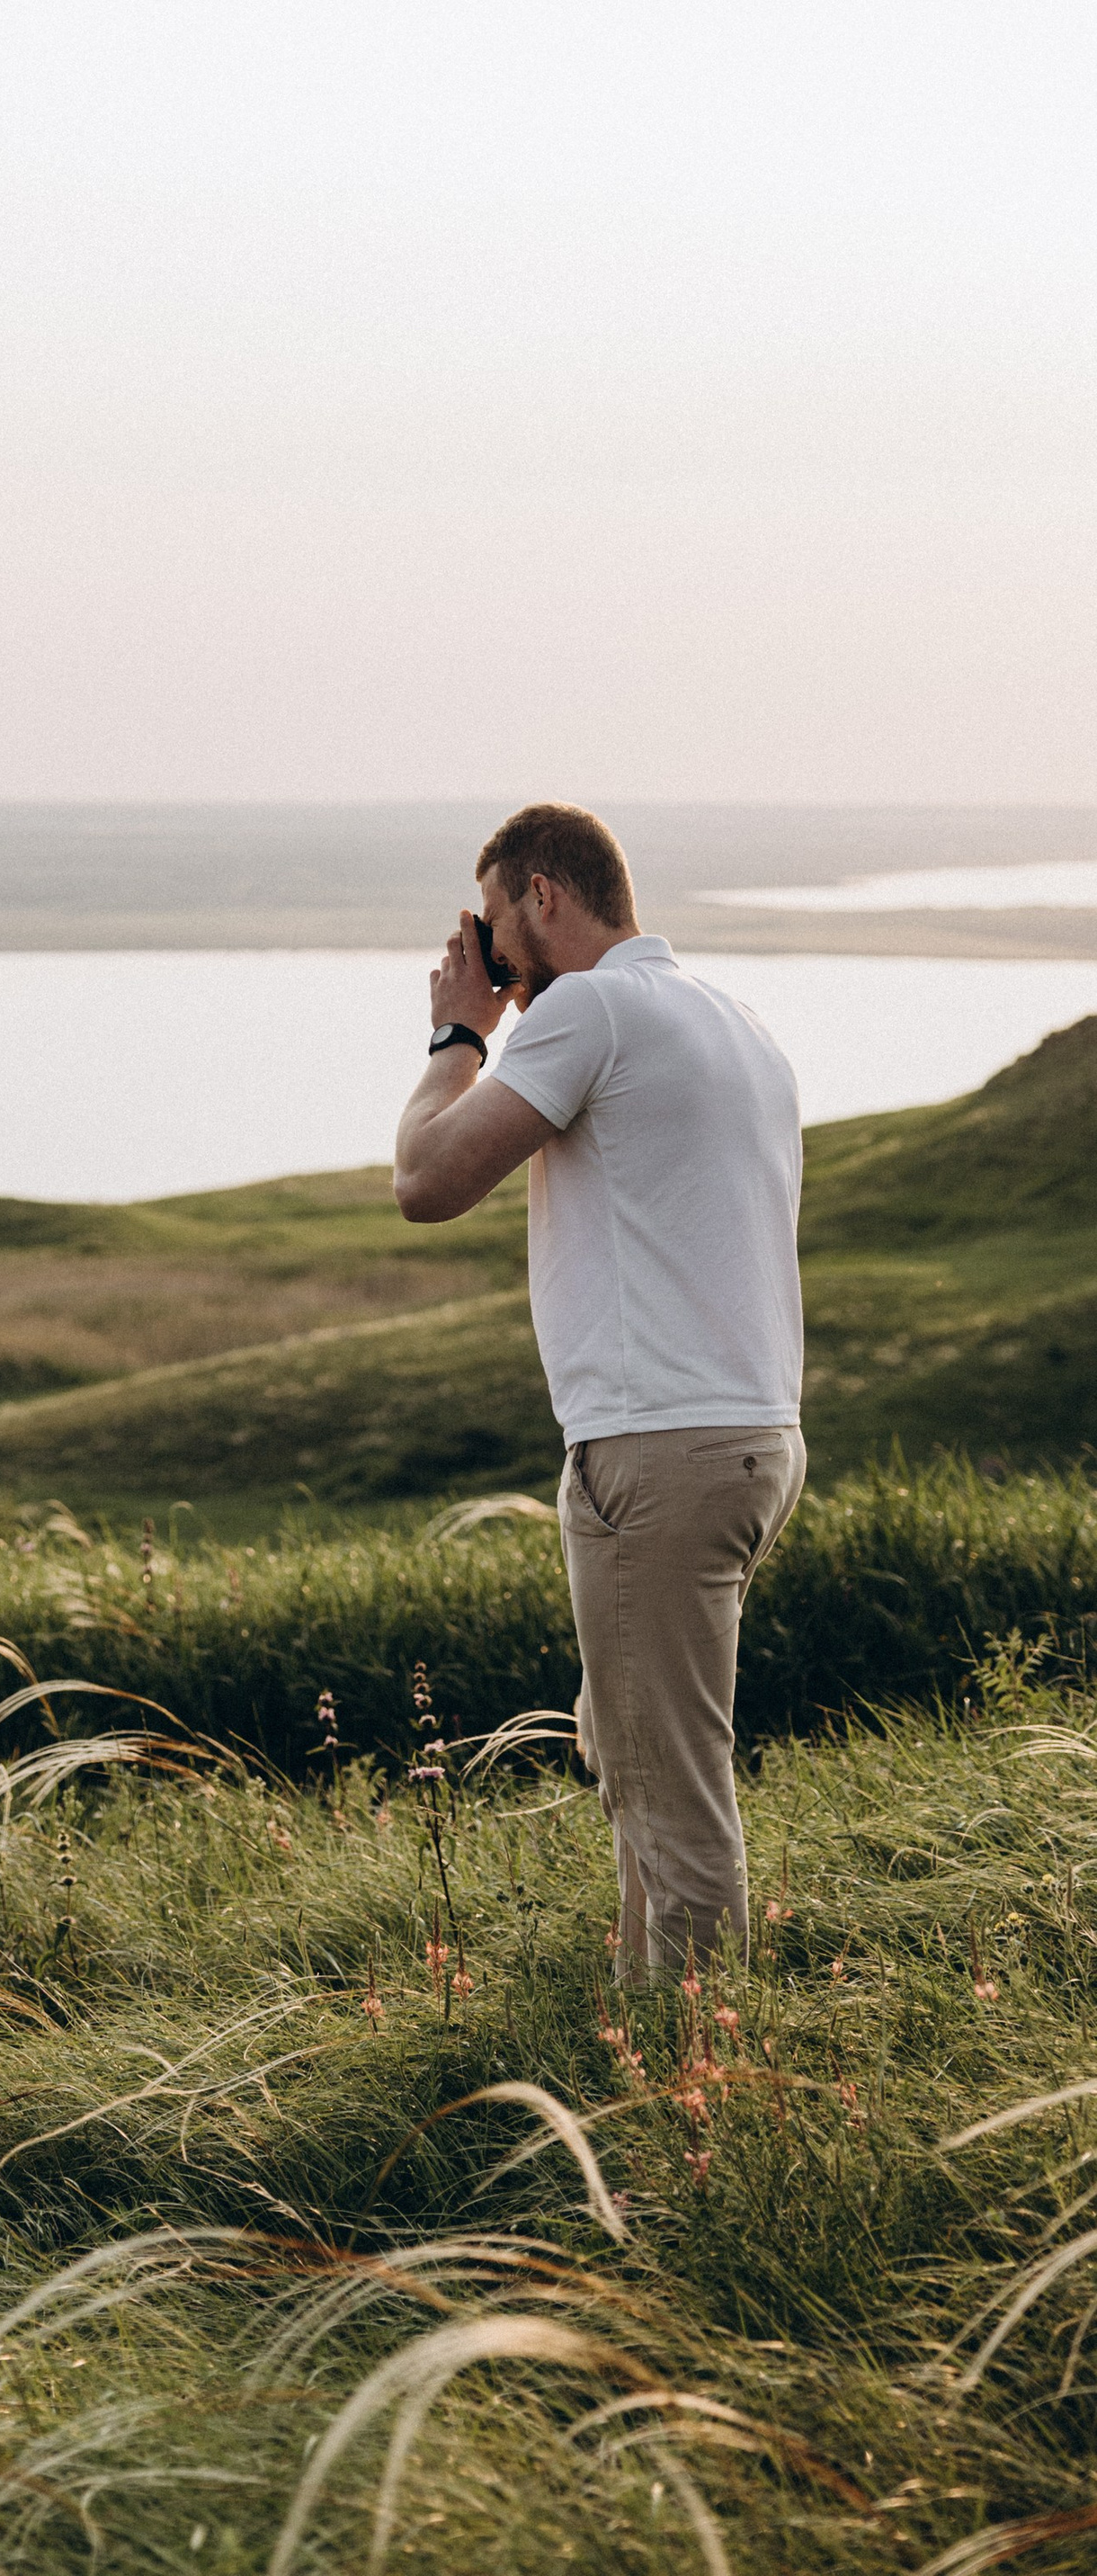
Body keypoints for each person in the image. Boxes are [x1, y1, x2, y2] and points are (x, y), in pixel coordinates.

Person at [391, 803, 805, 1981]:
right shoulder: (734, 1020)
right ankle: (642, 2017)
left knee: (670, 1787)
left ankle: (693, 2081)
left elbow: (425, 1181)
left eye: (493, 926)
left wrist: (454, 1035)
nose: (495, 963)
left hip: (658, 1448)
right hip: (754, 1435)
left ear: (541, 898)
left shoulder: (588, 1008)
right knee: (627, 1741)